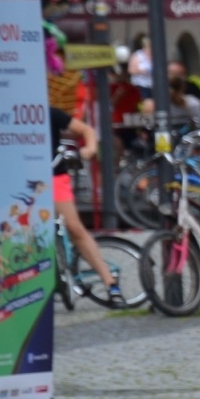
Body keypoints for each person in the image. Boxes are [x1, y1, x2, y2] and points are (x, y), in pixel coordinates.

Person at [51, 111, 124, 306]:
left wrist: (89, 149)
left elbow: (86, 130)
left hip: (54, 176)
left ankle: (110, 283)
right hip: (25, 180)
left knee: (74, 228)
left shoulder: (47, 112)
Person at [127, 33, 152, 103]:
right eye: (148, 46)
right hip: (140, 85)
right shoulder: (137, 56)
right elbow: (130, 70)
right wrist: (142, 71)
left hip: (152, 85)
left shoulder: (155, 56)